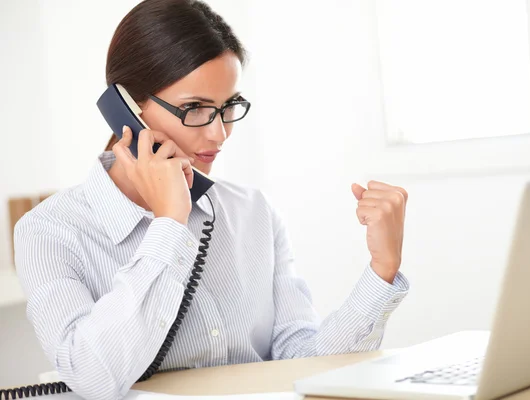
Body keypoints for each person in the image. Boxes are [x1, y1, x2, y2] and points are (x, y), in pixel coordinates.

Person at [14, 1, 409, 399]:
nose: (219, 135)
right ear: (126, 108)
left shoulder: (253, 213)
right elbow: (93, 379)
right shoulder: (49, 231)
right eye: (194, 109)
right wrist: (169, 224)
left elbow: (303, 362)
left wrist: (382, 270)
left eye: (227, 107)